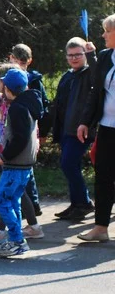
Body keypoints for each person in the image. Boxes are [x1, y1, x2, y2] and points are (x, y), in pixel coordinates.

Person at [0, 62, 43, 245]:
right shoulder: (21, 102)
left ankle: (12, 237)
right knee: (13, 198)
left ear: (7, 87)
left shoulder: (17, 107)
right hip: (17, 160)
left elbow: (20, 138)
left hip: (14, 161)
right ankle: (18, 239)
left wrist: (4, 156)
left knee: (3, 200)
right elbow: (6, 129)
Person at [76, 14, 115, 242]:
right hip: (108, 127)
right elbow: (96, 90)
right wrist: (85, 121)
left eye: (107, 31)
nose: (103, 35)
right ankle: (101, 228)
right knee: (103, 177)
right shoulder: (106, 56)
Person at [52, 37, 97, 221]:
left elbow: (98, 76)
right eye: (70, 55)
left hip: (81, 129)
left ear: (84, 54)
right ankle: (76, 203)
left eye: (78, 54)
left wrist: (92, 55)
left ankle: (84, 203)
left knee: (68, 163)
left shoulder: (90, 73)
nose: (74, 58)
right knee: (71, 165)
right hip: (66, 129)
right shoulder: (67, 76)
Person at [9, 43, 51, 216]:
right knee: (20, 170)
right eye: (16, 61)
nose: (19, 65)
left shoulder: (34, 81)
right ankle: (25, 205)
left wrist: (43, 133)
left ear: (29, 61)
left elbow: (43, 107)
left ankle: (32, 206)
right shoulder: (7, 79)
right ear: (10, 58)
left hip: (30, 129)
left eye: (23, 62)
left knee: (26, 169)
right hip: (12, 128)